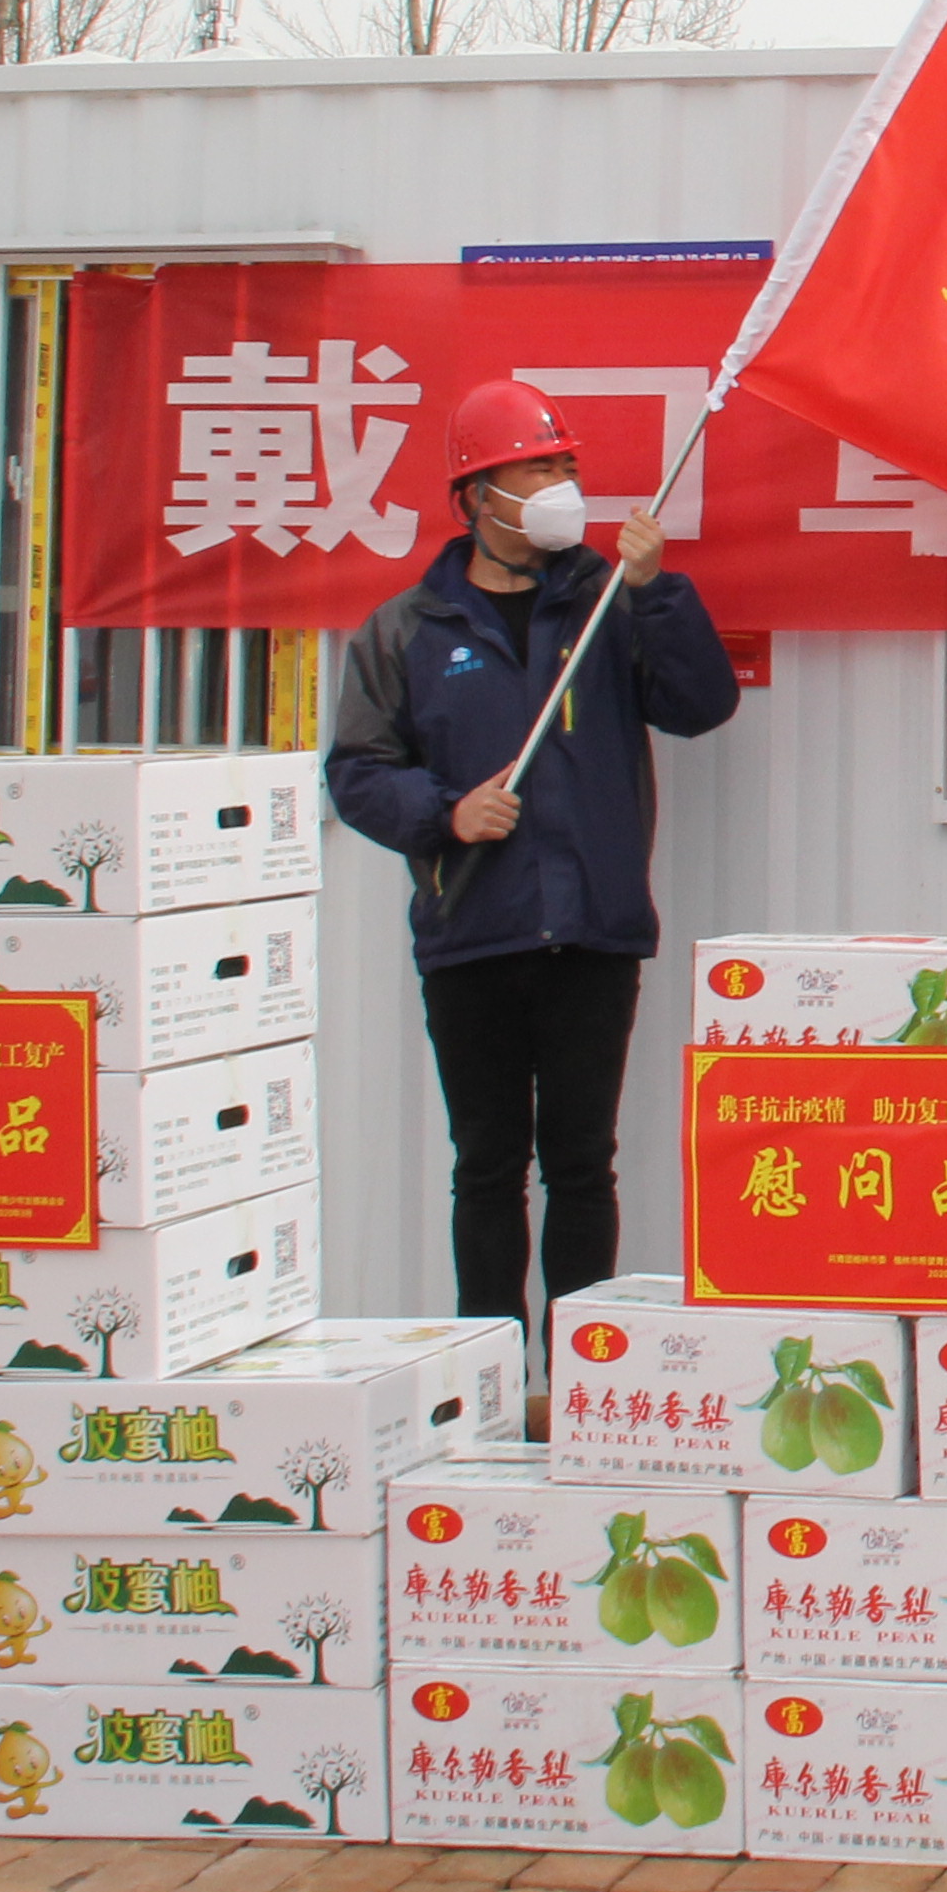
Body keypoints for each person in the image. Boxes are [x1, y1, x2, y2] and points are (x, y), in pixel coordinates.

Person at [324, 380, 742, 1343]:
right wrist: (446, 814)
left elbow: (699, 705)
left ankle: (582, 1370)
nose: (561, 486)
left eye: (567, 467)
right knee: (487, 1167)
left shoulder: (605, 601)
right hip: (472, 931)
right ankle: (488, 1373)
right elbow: (357, 772)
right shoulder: (407, 628)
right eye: (537, 469)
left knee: (582, 1164)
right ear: (477, 495)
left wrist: (655, 591)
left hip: (592, 932)